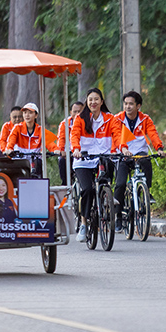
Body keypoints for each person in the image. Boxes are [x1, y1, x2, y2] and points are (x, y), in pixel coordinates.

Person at [70, 88, 125, 242]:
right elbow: (74, 136)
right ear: (87, 102)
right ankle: (83, 223)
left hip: (103, 157)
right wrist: (76, 149)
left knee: (109, 167)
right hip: (84, 160)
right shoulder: (80, 119)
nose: (93, 102)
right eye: (90, 99)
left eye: (96, 99)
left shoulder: (110, 118)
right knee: (87, 189)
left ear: (102, 101)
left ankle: (106, 194)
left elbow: (118, 135)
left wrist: (123, 147)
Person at [113, 91, 166, 232]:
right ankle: (117, 215)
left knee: (147, 163)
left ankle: (146, 191)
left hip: (140, 153)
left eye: (131, 104)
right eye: (125, 104)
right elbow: (117, 136)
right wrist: (123, 149)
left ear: (138, 106)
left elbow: (153, 134)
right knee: (120, 184)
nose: (128, 106)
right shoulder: (118, 119)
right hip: (123, 154)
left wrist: (159, 148)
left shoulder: (145, 119)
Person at [4, 102, 49, 177]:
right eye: (25, 113)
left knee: (39, 170)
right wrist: (9, 149)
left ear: (36, 115)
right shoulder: (17, 128)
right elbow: (11, 140)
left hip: (35, 160)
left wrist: (55, 150)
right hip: (20, 159)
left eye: (30, 113)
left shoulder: (41, 130)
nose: (27, 115)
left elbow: (50, 143)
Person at [57, 101, 84, 185]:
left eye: (79, 111)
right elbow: (61, 138)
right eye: (74, 111)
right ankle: (65, 185)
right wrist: (61, 150)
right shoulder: (64, 124)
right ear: (70, 112)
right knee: (62, 161)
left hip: (82, 152)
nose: (77, 114)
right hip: (68, 152)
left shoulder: (86, 122)